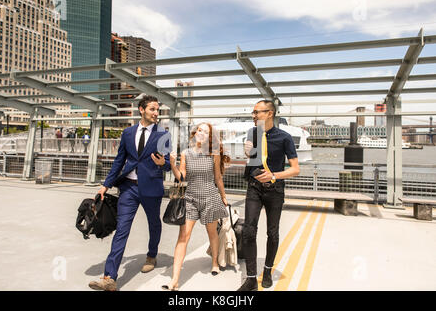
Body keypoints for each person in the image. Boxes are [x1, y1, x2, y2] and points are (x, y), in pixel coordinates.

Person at [88, 95, 171, 291]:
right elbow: (119, 161)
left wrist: (163, 164)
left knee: (154, 224)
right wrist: (106, 185)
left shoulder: (162, 134)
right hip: (129, 189)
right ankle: (110, 276)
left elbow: (168, 163)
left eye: (157, 109)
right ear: (141, 110)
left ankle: (152, 255)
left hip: (151, 188)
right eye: (152, 109)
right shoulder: (127, 133)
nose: (156, 113)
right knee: (122, 230)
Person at [237, 100, 300, 291]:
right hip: (254, 187)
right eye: (253, 113)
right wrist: (247, 152)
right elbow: (251, 156)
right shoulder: (252, 133)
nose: (254, 116)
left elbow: (296, 169)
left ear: (270, 113)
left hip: (274, 189)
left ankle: (267, 271)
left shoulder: (284, 138)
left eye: (257, 112)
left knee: (272, 232)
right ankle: (250, 278)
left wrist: (274, 175)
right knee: (249, 230)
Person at [162, 123, 230, 291]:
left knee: (212, 232)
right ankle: (175, 280)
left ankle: (214, 262)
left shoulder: (213, 154)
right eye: (199, 130)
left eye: (206, 132)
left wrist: (223, 196)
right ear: (195, 133)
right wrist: (172, 164)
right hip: (190, 199)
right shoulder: (185, 153)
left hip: (210, 197)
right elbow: (181, 177)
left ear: (210, 137)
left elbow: (218, 178)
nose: (201, 133)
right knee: (183, 237)